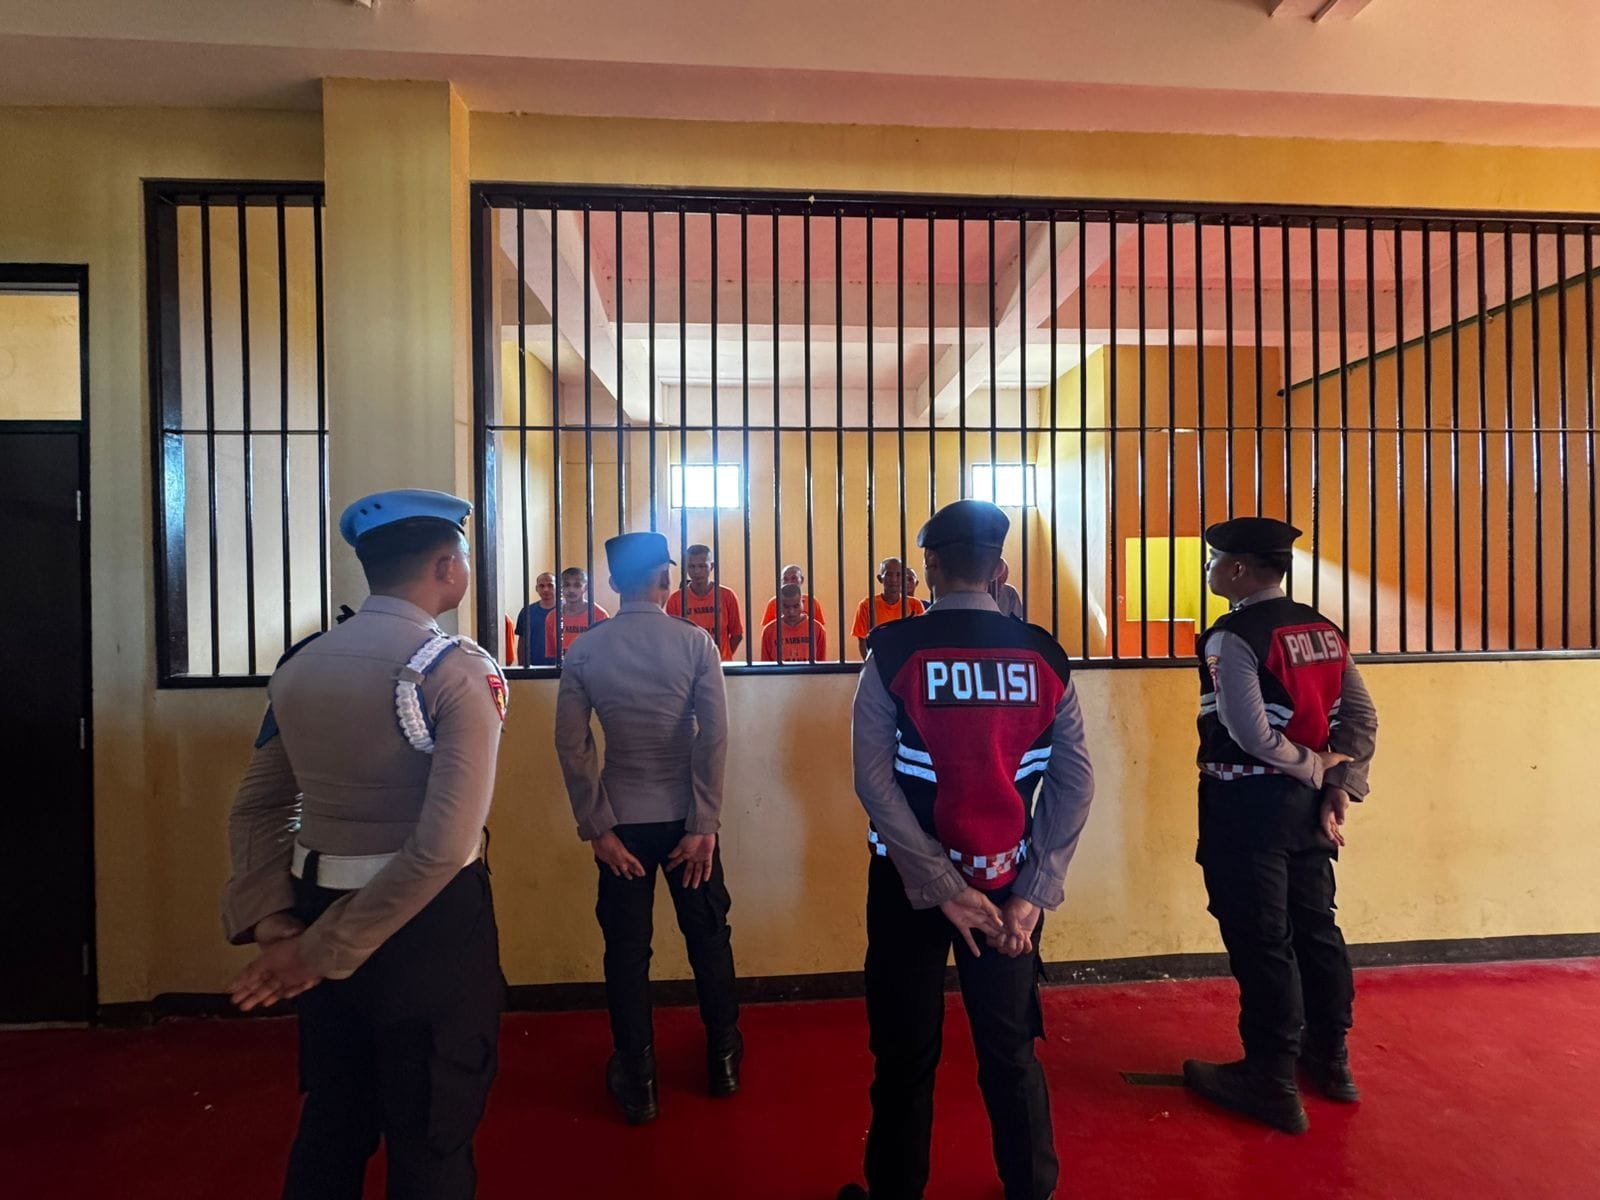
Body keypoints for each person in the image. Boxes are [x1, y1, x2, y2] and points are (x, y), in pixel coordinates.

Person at [221, 488, 509, 1199]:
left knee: (335, 1118)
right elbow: (443, 848)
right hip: (426, 929)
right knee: (431, 1133)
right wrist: (318, 953)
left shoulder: (302, 664)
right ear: (446, 568)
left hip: (315, 906)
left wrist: (275, 922)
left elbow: (258, 805)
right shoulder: (454, 669)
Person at [837, 500, 1095, 1200]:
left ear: (930, 568)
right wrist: (1035, 892)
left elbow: (873, 781)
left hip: (908, 887)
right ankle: (1031, 1187)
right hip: (1008, 887)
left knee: (904, 1050)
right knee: (1010, 1050)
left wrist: (942, 887)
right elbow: (1075, 783)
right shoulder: (1046, 657)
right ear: (1000, 570)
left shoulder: (892, 652)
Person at [1181, 517, 1378, 1134]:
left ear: (1238, 568)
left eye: (1214, 560)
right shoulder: (1320, 628)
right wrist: (1337, 782)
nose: (1209, 570)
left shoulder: (1233, 635)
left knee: (1263, 938)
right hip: (1306, 809)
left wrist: (1315, 768)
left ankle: (1269, 1078)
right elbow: (1361, 716)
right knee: (1316, 929)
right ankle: (1330, 1059)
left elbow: (1248, 732)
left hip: (1247, 807)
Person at [554, 531, 742, 1126]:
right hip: (688, 821)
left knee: (627, 951)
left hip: (622, 825)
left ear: (612, 583)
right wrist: (705, 823)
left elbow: (572, 745)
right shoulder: (695, 642)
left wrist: (596, 827)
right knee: (708, 938)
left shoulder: (586, 649)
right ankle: (724, 1060)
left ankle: (639, 1080)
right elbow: (713, 736)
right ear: (667, 579)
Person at [666, 543, 745, 660]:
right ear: (686, 568)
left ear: (711, 567)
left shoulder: (727, 596)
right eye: (692, 566)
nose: (697, 571)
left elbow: (737, 634)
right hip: (690, 665)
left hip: (721, 664)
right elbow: (673, 638)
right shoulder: (675, 600)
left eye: (702, 566)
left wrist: (720, 658)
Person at [851, 556, 925, 657]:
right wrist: (871, 664)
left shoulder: (915, 605)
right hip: (878, 660)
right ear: (879, 578)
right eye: (888, 575)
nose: (894, 579)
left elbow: (921, 638)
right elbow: (862, 643)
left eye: (898, 575)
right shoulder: (866, 605)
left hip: (906, 661)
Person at [545, 566, 610, 661]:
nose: (571, 590)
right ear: (560, 587)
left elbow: (606, 651)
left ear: (586, 587)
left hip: (592, 668)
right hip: (562, 669)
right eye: (566, 585)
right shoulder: (552, 616)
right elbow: (551, 655)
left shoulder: (599, 615)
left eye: (577, 585)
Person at [760, 583, 828, 663]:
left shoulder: (817, 629)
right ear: (778, 605)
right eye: (786, 606)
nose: (791, 612)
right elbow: (766, 666)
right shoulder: (769, 631)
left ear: (803, 602)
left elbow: (821, 664)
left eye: (796, 606)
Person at [760, 562, 827, 628]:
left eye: (793, 578)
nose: (789, 582)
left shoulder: (811, 601)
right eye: (785, 579)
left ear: (802, 580)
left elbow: (819, 629)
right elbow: (768, 631)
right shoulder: (773, 603)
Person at [513, 570, 558, 666]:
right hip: (534, 667)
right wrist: (522, 667)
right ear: (536, 589)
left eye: (550, 585)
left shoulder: (566, 611)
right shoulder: (527, 612)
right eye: (541, 586)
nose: (546, 589)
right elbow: (522, 643)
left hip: (562, 667)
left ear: (557, 587)